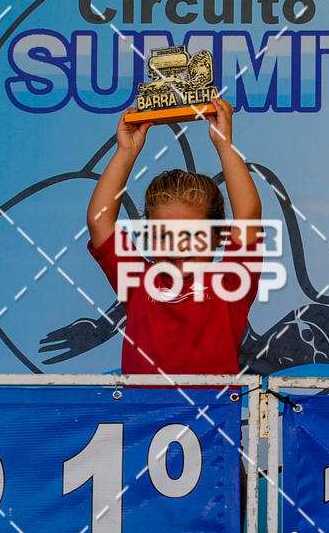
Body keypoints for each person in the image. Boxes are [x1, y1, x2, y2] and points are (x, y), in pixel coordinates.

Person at [86, 97, 263, 381]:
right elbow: (99, 221)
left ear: (219, 235)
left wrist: (224, 145)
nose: (177, 246)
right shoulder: (138, 282)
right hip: (141, 411)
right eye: (163, 235)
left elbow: (248, 215)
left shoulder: (232, 282)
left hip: (213, 411)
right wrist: (126, 152)